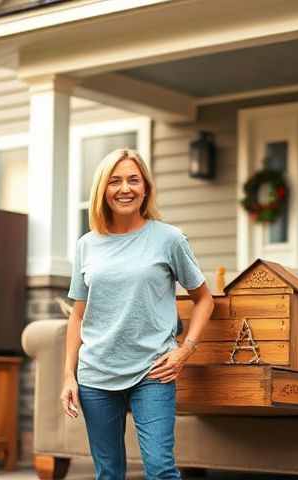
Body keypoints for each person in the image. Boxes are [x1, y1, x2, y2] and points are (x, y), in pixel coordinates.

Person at [62, 148, 214, 479]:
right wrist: (68, 376)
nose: (125, 188)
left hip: (153, 370)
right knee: (108, 473)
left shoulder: (169, 239)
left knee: (160, 468)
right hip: (96, 374)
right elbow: (77, 316)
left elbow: (204, 299)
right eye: (115, 181)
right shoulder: (87, 245)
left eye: (133, 179)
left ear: (145, 187)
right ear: (103, 189)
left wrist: (185, 350)